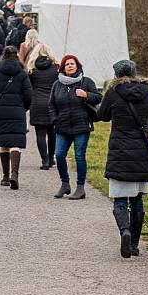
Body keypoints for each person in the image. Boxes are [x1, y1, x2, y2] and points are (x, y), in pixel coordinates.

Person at [97, 59, 148, 258]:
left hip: (119, 150)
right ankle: (133, 244)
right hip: (141, 150)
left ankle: (124, 230)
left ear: (116, 74)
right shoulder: (147, 92)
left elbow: (103, 115)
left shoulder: (113, 93)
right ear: (134, 73)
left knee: (120, 196)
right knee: (138, 198)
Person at [49, 54, 102, 200]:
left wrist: (86, 94)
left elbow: (98, 97)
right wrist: (55, 119)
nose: (70, 66)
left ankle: (80, 187)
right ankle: (65, 184)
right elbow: (51, 104)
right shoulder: (57, 84)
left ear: (77, 66)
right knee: (59, 155)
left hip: (82, 125)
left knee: (79, 155)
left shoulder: (86, 82)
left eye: (72, 64)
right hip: (62, 126)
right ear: (63, 68)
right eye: (67, 64)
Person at [0, 45, 32, 190]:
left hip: (1, 111)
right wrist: (23, 107)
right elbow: (28, 94)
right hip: (18, 110)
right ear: (16, 56)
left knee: (4, 144)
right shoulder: (22, 73)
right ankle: (15, 174)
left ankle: (5, 177)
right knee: (15, 144)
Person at [26, 43, 59, 169]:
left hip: (37, 102)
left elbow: (29, 88)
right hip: (52, 102)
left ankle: (44, 160)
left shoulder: (32, 68)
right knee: (52, 133)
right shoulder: (55, 67)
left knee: (40, 134)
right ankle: (51, 158)